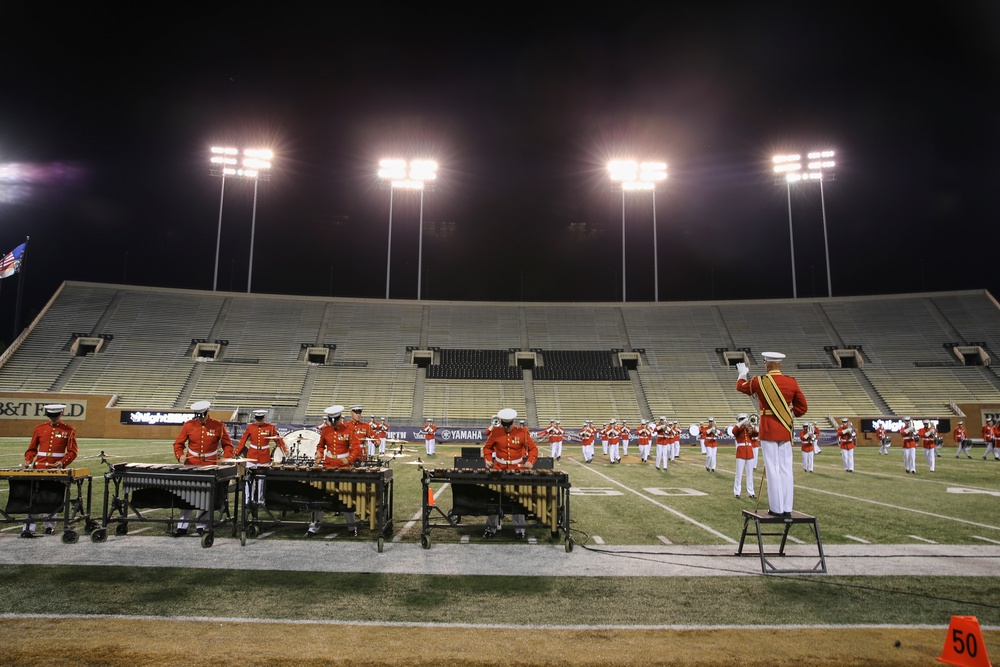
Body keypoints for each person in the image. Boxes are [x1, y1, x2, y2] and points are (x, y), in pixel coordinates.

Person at [736, 351, 808, 518]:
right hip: (785, 429)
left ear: (766, 364)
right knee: (786, 469)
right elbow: (802, 408)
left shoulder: (759, 381)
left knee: (772, 468)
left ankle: (776, 508)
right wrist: (788, 413)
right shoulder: (791, 382)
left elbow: (741, 386)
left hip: (768, 429)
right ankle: (787, 507)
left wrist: (741, 374)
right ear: (780, 365)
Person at [171, 400, 234, 537]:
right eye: (198, 416)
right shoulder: (189, 425)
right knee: (187, 495)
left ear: (208, 412)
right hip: (191, 463)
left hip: (209, 464)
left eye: (203, 415)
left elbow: (228, 445)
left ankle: (201, 525)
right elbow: (178, 444)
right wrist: (180, 456)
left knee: (205, 496)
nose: (201, 418)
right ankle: (182, 526)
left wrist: (226, 458)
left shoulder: (218, 425)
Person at [21, 404, 79, 537]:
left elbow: (72, 452)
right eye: (51, 416)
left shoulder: (69, 430)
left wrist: (62, 462)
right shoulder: (39, 428)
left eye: (55, 416)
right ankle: (29, 527)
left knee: (53, 497)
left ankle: (49, 526)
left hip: (55, 469)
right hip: (39, 467)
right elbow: (32, 448)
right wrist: (28, 460)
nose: (53, 419)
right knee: (34, 498)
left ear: (61, 414)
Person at [308, 405, 364, 537]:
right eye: (331, 421)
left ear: (340, 418)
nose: (333, 424)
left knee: (346, 499)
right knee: (319, 497)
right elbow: (321, 446)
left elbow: (356, 449)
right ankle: (314, 527)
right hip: (328, 467)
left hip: (343, 469)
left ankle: (351, 527)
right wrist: (319, 454)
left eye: (336, 421)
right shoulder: (326, 430)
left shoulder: (348, 430)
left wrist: (349, 460)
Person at [482, 408, 539, 538]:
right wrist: (488, 459)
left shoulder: (522, 433)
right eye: (504, 426)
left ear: (513, 422)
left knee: (518, 501)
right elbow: (487, 448)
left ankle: (520, 531)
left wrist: (530, 461)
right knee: (494, 500)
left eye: (509, 425)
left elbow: (533, 449)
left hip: (517, 470)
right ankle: (490, 529)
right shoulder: (496, 432)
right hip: (498, 470)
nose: (507, 429)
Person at [236, 409, 288, 511]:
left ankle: (260, 500)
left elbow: (277, 439)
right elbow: (243, 440)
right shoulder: (250, 427)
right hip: (252, 455)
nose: (258, 421)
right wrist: (237, 452)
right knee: (248, 479)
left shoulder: (270, 427)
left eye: (260, 419)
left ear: (264, 418)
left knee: (261, 480)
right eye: (257, 419)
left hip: (264, 456)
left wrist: (284, 450)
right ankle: (247, 499)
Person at [732, 413, 756, 498]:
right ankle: (737, 492)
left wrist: (754, 425)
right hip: (741, 452)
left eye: (744, 419)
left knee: (750, 473)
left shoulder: (749, 428)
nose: (744, 421)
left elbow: (756, 434)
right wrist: (742, 423)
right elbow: (734, 431)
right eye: (741, 419)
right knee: (739, 473)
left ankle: (751, 492)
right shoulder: (738, 429)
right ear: (739, 420)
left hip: (749, 452)